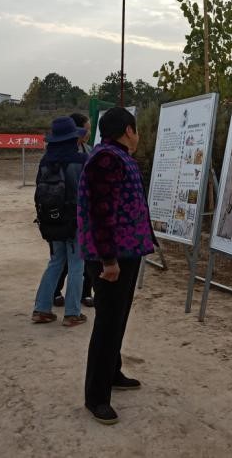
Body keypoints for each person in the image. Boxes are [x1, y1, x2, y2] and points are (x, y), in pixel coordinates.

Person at [78, 107, 157, 425]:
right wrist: (108, 261)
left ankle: (112, 372)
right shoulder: (106, 160)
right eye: (136, 131)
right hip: (112, 257)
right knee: (107, 323)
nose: (138, 136)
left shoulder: (118, 157)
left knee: (118, 318)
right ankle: (96, 397)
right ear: (128, 130)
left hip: (127, 252)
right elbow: (100, 213)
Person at [31, 116, 88, 327]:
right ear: (73, 138)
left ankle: (41, 309)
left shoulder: (45, 162)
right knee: (76, 265)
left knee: (55, 262)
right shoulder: (81, 161)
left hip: (51, 220)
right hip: (75, 221)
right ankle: (72, 313)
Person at [53, 112, 94, 308]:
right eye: (87, 129)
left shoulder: (89, 150)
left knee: (86, 258)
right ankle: (60, 296)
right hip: (69, 213)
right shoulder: (63, 154)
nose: (89, 133)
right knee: (66, 259)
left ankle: (85, 293)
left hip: (83, 212)